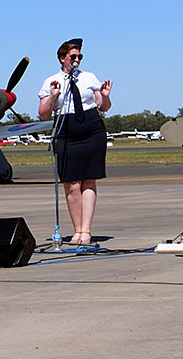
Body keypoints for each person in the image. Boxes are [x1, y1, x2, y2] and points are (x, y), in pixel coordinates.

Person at [38, 38, 113, 245]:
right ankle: (76, 230)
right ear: (63, 58)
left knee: (89, 180)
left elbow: (103, 106)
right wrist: (53, 96)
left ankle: (86, 231)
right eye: (73, 56)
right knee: (72, 183)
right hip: (66, 129)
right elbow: (43, 114)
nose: (77, 59)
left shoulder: (89, 77)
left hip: (91, 128)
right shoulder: (51, 81)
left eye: (80, 56)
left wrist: (105, 96)